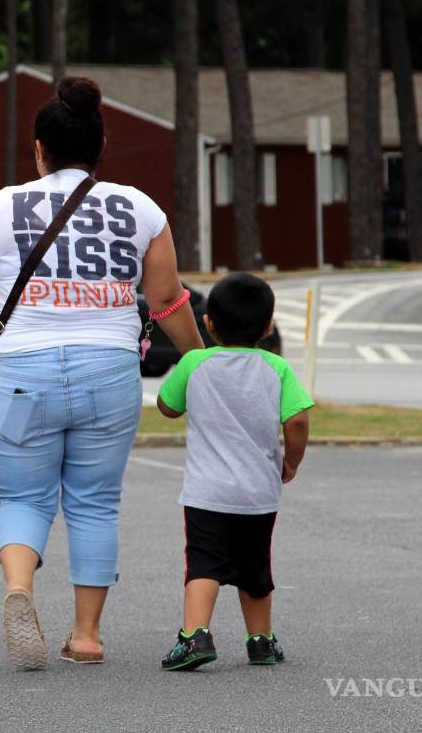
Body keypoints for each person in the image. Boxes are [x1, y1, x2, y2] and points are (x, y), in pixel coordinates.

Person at [0, 76, 205, 670]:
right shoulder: (142, 209)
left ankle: (19, 589)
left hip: (25, 369)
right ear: (101, 144)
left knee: (24, 497)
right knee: (95, 504)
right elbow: (167, 300)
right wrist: (202, 358)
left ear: (38, 149)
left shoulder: (1, 206)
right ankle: (86, 635)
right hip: (109, 370)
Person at [155, 272, 313, 671]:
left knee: (204, 563)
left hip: (206, 493)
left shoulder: (195, 363)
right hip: (259, 494)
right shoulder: (277, 368)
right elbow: (297, 421)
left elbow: (166, 406)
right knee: (256, 567)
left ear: (208, 323)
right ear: (266, 327)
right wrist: (291, 460)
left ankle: (195, 637)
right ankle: (260, 640)